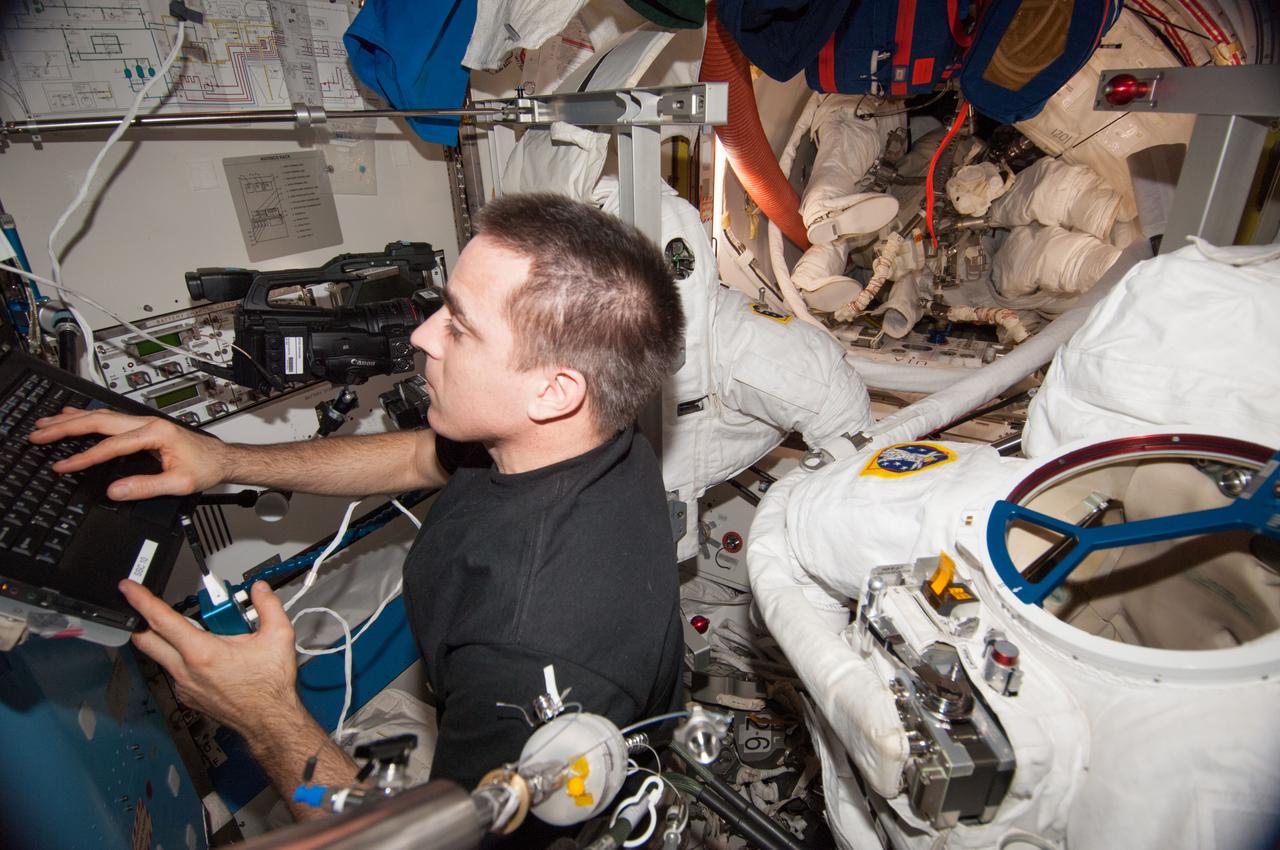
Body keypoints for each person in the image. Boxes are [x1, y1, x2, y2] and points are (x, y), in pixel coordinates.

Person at [29, 193, 687, 827]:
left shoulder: (533, 644)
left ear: (553, 391)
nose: (424, 335)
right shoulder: (587, 436)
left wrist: (262, 711)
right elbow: (414, 460)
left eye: (459, 326)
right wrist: (224, 459)